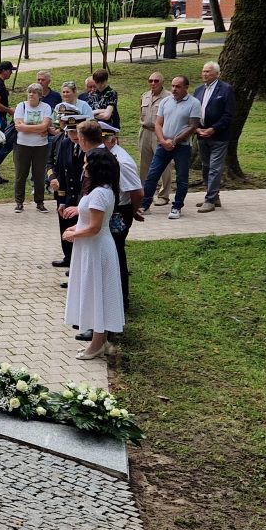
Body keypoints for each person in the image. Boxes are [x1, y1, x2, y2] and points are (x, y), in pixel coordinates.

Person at [63, 147, 124, 360]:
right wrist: (77, 227)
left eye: (87, 163)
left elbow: (95, 227)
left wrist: (74, 234)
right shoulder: (103, 189)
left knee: (98, 293)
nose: (84, 166)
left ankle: (97, 343)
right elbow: (89, 220)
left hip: (96, 247)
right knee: (98, 292)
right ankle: (99, 341)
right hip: (94, 246)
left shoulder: (99, 193)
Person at [139, 76, 201, 220]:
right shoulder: (166, 101)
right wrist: (163, 140)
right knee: (152, 175)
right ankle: (145, 204)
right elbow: (158, 124)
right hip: (163, 145)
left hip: (182, 147)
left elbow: (193, 126)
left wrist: (174, 141)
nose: (174, 89)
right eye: (173, 86)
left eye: (178, 86)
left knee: (182, 178)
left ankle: (177, 207)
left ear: (186, 87)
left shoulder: (194, 103)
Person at [100, 122, 144, 314]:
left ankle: (121, 301)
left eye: (103, 141)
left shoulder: (121, 161)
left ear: (112, 140)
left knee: (117, 255)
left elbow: (137, 192)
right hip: (114, 209)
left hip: (120, 211)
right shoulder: (108, 156)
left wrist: (132, 211)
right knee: (110, 255)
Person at [194, 61, 236, 213]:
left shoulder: (226, 89)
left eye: (208, 72)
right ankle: (213, 195)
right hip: (201, 134)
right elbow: (193, 112)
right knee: (206, 166)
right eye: (203, 71)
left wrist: (213, 129)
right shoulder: (198, 90)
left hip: (218, 136)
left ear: (217, 74)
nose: (205, 74)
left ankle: (210, 200)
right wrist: (197, 129)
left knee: (215, 168)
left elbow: (229, 114)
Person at [46, 111, 85, 271]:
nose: (74, 135)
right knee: (66, 225)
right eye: (70, 132)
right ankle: (69, 257)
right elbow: (61, 170)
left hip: (83, 195)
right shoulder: (64, 143)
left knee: (80, 228)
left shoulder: (87, 145)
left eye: (77, 131)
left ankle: (77, 263)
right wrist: (62, 199)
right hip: (67, 193)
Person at [12, 83, 53, 213]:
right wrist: (38, 128)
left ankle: (39, 202)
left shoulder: (45, 107)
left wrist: (27, 128)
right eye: (29, 92)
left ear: (40, 95)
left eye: (34, 92)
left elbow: (45, 126)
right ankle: (19, 202)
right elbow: (18, 126)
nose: (31, 95)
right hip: (22, 145)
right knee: (20, 174)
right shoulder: (21, 106)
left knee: (39, 175)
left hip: (40, 146)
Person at [138, 72, 172, 208]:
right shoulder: (145, 95)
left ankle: (164, 195)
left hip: (160, 133)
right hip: (145, 131)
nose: (153, 83)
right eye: (150, 80)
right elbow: (141, 114)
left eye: (156, 81)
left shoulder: (169, 97)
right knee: (144, 165)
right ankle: (145, 195)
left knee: (164, 165)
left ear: (162, 82)